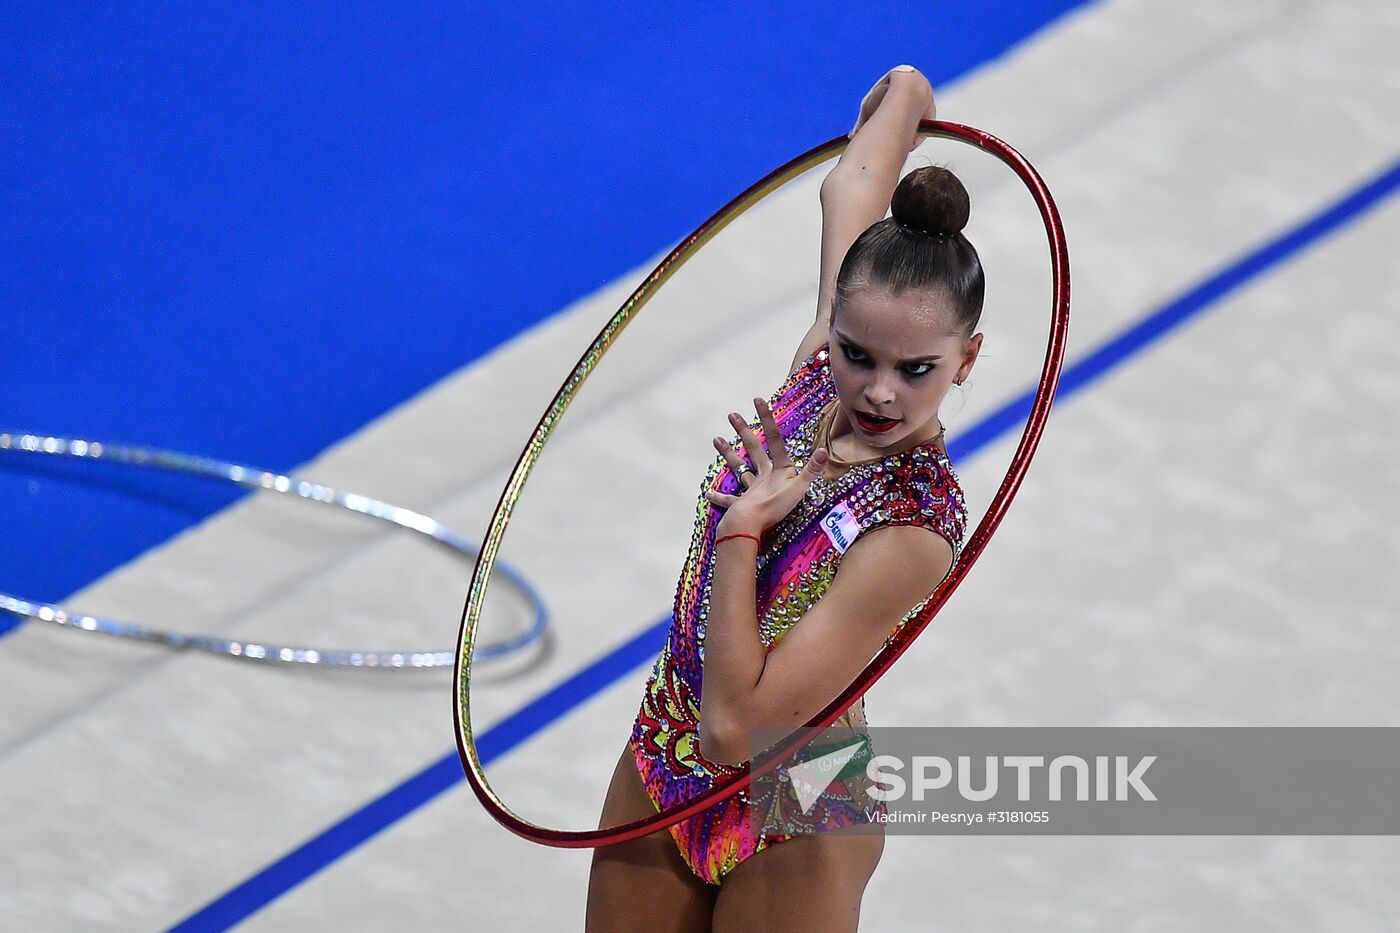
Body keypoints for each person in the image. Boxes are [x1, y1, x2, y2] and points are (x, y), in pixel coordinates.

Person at [585, 64, 984, 932]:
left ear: (966, 362)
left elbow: (736, 731)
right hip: (665, 754)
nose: (879, 391)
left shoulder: (914, 529)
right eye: (858, 354)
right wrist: (908, 97)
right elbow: (854, 182)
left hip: (797, 801)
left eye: (917, 370)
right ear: (832, 327)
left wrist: (741, 537)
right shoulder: (816, 373)